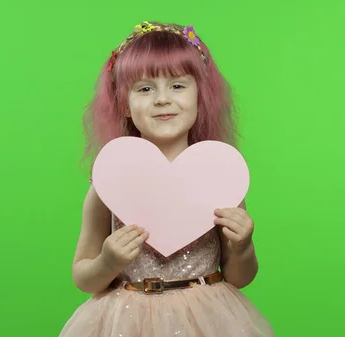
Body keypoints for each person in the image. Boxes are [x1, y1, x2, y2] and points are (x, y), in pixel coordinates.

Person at [58, 21, 275, 336]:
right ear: (124, 104)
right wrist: (108, 261)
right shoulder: (109, 182)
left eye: (177, 85)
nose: (162, 99)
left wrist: (243, 246)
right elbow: (83, 277)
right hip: (126, 318)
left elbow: (239, 277)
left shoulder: (220, 178)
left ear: (200, 97)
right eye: (145, 88)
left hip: (209, 319)